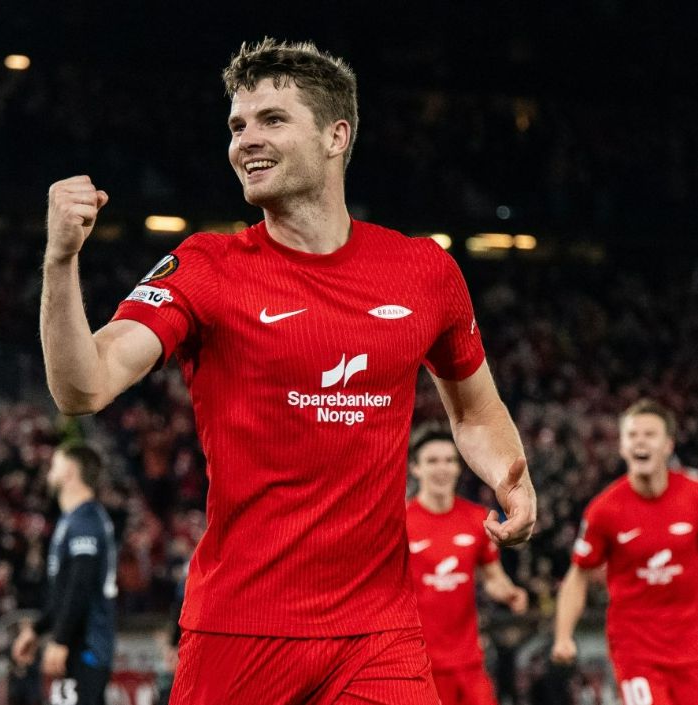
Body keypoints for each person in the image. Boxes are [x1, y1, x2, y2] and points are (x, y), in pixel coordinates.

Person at [39, 37, 536, 704]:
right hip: (240, 629)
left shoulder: (425, 272)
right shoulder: (205, 267)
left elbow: (473, 410)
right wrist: (60, 263)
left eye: (271, 119)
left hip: (378, 634)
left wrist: (510, 476)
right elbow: (84, 385)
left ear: (336, 136)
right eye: (237, 125)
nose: (245, 140)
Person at [552, 400, 698, 705]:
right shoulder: (604, 510)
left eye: (649, 434)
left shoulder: (693, 495)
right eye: (632, 435)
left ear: (668, 445)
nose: (640, 441)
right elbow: (578, 575)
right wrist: (563, 636)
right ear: (622, 446)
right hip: (636, 649)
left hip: (692, 644)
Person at [405, 429, 528, 705]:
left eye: (449, 460)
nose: (442, 468)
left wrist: (509, 593)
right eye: (432, 461)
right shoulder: (401, 523)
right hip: (419, 664)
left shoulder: (476, 519)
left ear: (458, 468)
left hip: (469, 662)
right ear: (415, 468)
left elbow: (493, 578)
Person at [12, 442, 117, 705]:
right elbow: (63, 592)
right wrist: (37, 629)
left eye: (54, 466)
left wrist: (60, 639)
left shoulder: (85, 521)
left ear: (69, 471)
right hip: (79, 643)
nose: (49, 474)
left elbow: (81, 585)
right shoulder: (74, 519)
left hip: (86, 646)